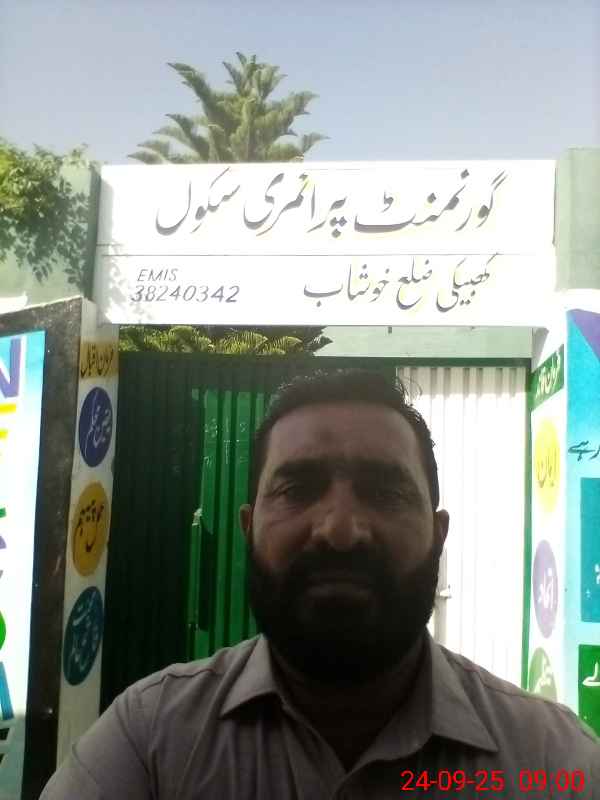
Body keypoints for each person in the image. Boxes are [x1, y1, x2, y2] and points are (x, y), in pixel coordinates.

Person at [41, 369, 600, 799]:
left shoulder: (554, 764)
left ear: (438, 534)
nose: (339, 530)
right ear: (247, 528)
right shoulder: (148, 745)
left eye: (385, 492)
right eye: (298, 488)